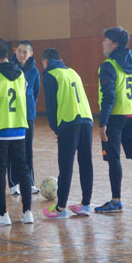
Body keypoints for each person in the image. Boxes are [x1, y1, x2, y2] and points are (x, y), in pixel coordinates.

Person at [95, 27, 132, 213]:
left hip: (114, 118)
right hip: (130, 116)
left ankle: (116, 201)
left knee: (113, 159)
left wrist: (103, 123)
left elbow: (109, 96)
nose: (103, 43)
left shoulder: (108, 66)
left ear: (114, 44)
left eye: (106, 40)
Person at [0, 38, 34, 226]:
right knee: (23, 170)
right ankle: (27, 212)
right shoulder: (21, 75)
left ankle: (2, 214)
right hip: (19, 128)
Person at [40, 48, 94, 218]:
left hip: (69, 121)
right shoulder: (72, 72)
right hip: (86, 119)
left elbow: (51, 105)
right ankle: (85, 205)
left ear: (45, 62)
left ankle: (60, 208)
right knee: (86, 163)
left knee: (66, 166)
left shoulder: (50, 74)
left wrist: (56, 128)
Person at [8, 40, 40, 195]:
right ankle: (13, 183)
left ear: (31, 54)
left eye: (25, 52)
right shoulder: (9, 68)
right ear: (15, 51)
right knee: (13, 149)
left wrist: (29, 107)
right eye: (19, 51)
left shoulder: (34, 71)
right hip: (13, 115)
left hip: (28, 116)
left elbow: (35, 92)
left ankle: (29, 182)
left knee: (28, 150)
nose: (21, 54)